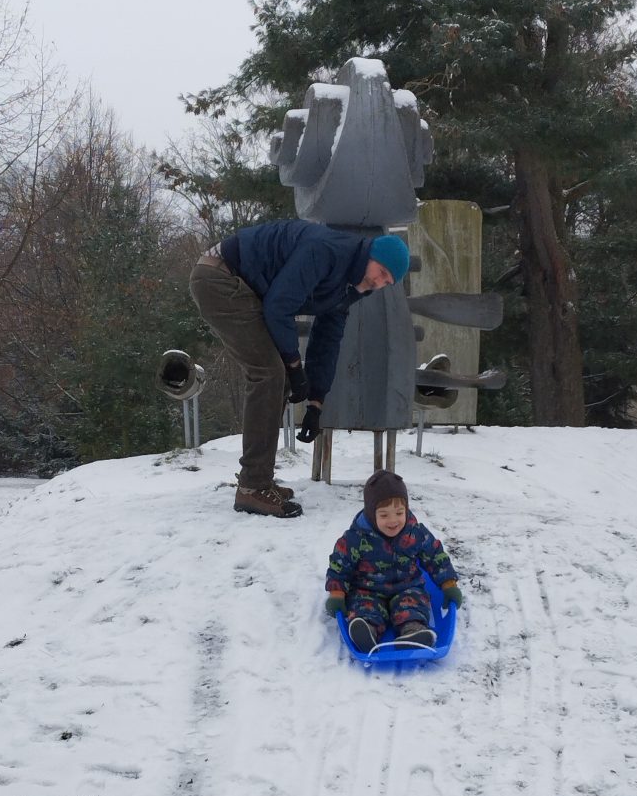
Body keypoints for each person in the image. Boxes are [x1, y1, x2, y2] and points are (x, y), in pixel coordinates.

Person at [189, 220, 410, 519]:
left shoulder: (349, 286)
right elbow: (278, 306)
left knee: (276, 376)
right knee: (269, 374)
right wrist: (294, 366)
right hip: (220, 277)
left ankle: (259, 480)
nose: (379, 283)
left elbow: (328, 338)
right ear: (370, 255)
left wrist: (316, 401)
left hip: (240, 285)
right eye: (381, 273)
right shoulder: (326, 250)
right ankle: (253, 487)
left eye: (387, 282)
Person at [325, 469, 463, 651]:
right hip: (368, 589)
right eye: (384, 515)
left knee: (413, 605)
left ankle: (413, 632)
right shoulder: (355, 538)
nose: (393, 521)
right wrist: (337, 593)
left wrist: (449, 584)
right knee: (364, 607)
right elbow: (339, 566)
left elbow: (436, 556)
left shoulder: (415, 532)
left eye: (399, 513)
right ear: (371, 513)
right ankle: (366, 630)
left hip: (407, 587)